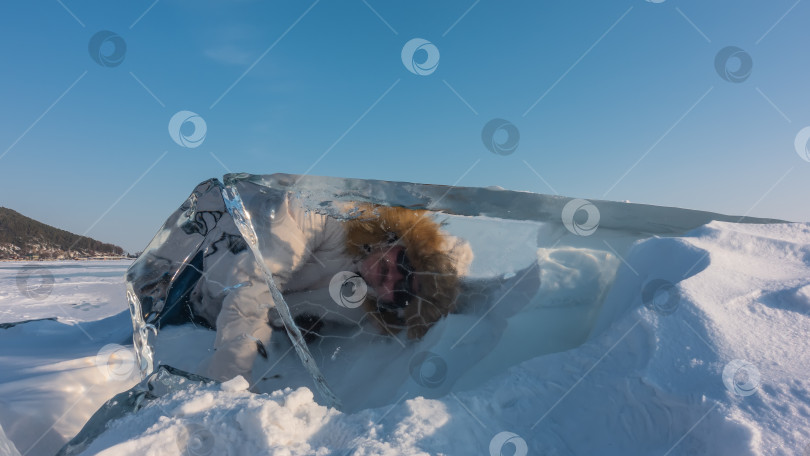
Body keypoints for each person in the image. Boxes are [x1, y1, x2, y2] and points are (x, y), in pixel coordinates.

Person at [194, 195, 472, 382]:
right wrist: (231, 377)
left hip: (206, 319)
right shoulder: (328, 219)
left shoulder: (364, 308)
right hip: (191, 269)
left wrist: (298, 323)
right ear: (401, 240)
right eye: (406, 263)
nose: (392, 278)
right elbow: (255, 285)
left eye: (403, 291)